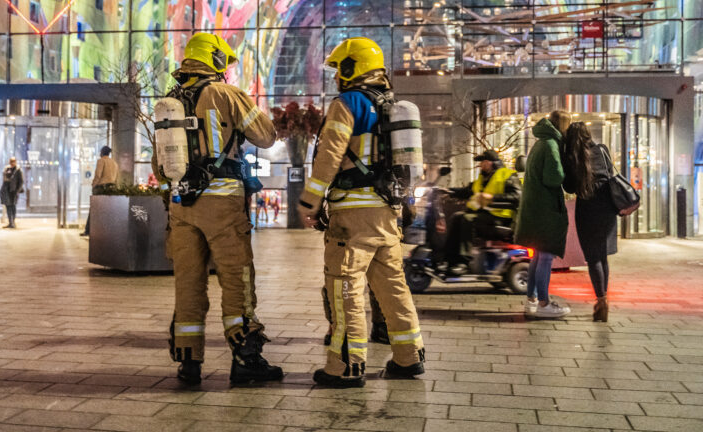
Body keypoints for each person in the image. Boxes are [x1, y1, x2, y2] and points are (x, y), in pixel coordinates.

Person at [299, 37, 425, 388]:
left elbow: (329, 156)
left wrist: (310, 201)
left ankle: (346, 365)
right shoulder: (392, 106)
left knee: (345, 288)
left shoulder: (349, 103)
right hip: (387, 213)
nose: (337, 75)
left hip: (353, 215)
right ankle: (409, 357)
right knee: (392, 287)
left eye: (340, 67)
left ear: (353, 67)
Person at [165, 33, 282, 385]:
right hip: (222, 201)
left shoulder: (170, 100)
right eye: (225, 63)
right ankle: (246, 358)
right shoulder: (226, 93)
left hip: (181, 205)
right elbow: (266, 135)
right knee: (236, 278)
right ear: (215, 60)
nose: (227, 70)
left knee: (188, 282)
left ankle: (189, 362)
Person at [515, 110, 572, 319]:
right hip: (544, 209)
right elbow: (554, 177)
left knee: (538, 256)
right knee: (546, 256)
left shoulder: (540, 143)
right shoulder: (551, 145)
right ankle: (544, 303)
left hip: (534, 208)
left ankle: (532, 300)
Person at [563, 122, 617, 322]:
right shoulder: (602, 150)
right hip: (608, 209)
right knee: (602, 256)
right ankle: (604, 299)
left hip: (587, 210)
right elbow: (610, 173)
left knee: (593, 258)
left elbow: (569, 188)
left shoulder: (573, 158)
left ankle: (601, 300)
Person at [441, 150, 521, 269]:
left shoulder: (507, 175)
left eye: (482, 161)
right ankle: (450, 259)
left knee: (466, 219)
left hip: (501, 218)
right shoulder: (482, 178)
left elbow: (518, 196)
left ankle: (464, 261)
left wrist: (493, 198)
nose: (480, 165)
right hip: (484, 216)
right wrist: (449, 192)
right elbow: (468, 191)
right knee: (456, 217)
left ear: (489, 162)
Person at [81, 146, 119, 237]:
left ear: (102, 152)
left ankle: (88, 230)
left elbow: (98, 175)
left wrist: (94, 185)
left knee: (94, 209)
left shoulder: (101, 161)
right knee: (108, 210)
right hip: (112, 188)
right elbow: (116, 178)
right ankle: (106, 230)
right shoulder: (114, 163)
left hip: (101, 187)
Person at [0, 157, 24, 229]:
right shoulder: (7, 169)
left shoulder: (18, 170)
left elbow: (21, 181)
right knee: (8, 206)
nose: (12, 163)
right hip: (6, 190)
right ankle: (10, 222)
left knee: (13, 206)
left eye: (13, 161)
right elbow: (5, 179)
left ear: (15, 162)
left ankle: (12, 222)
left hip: (13, 191)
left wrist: (17, 190)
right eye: (11, 161)